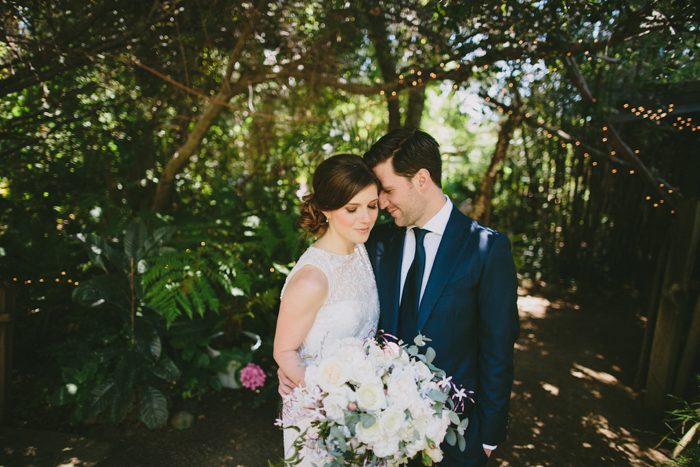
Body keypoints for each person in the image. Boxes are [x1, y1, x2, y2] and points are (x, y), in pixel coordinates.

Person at [362, 128, 519, 466]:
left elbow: (498, 349)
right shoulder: (378, 244)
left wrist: (488, 436)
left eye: (388, 190)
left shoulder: (487, 250)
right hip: (380, 434)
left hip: (456, 438)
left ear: (422, 179)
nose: (383, 203)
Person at [273, 154, 381, 465]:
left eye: (371, 206)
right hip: (319, 416)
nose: (365, 218)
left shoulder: (360, 251)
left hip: (364, 413)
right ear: (325, 208)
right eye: (352, 209)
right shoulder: (312, 279)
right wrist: (338, 400)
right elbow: (284, 352)